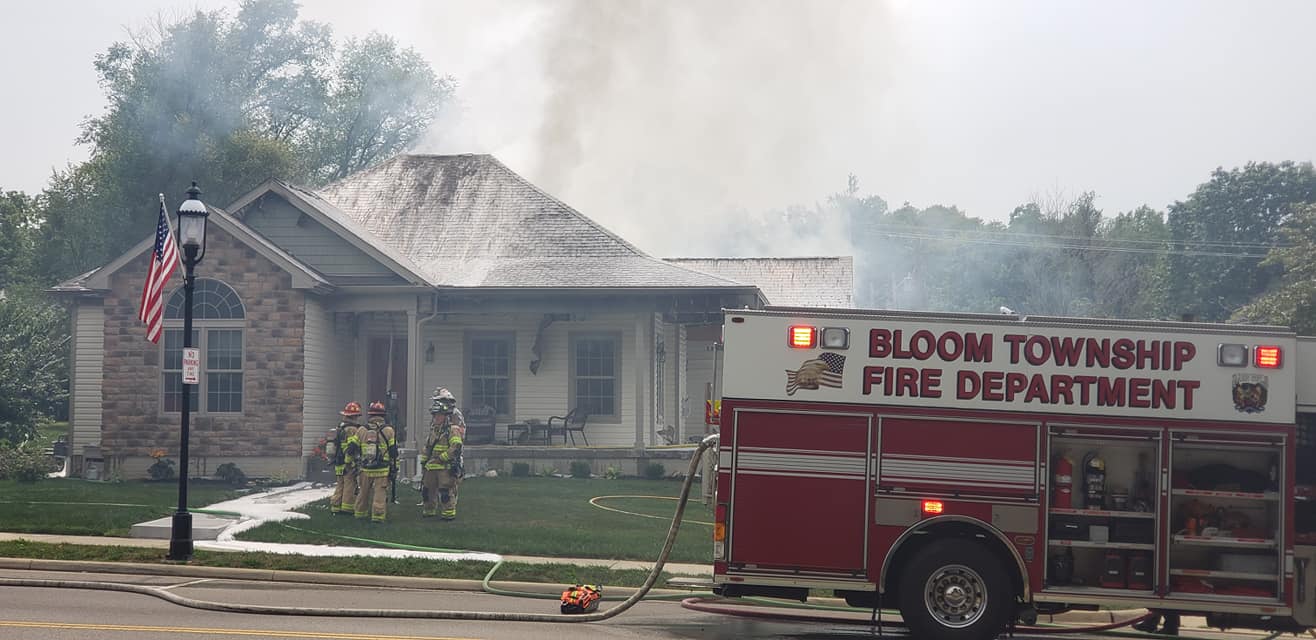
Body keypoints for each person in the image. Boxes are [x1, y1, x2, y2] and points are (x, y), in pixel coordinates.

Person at [421, 388, 465, 520]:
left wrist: (441, 458)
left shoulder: (453, 426)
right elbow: (428, 445)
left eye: (437, 415)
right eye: (434, 415)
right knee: (427, 491)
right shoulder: (434, 428)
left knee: (446, 491)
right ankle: (429, 510)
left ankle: (448, 513)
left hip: (445, 465)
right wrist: (424, 461)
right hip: (432, 466)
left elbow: (456, 446)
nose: (435, 417)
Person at [354, 401, 398, 523]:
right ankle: (377, 517)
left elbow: (353, 447)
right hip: (382, 469)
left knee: (363, 492)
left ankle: (360, 514)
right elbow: (394, 452)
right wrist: (395, 468)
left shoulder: (362, 430)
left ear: (370, 415)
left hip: (365, 468)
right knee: (380, 493)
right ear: (383, 416)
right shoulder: (389, 430)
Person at [329, 402, 363, 515]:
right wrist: (352, 461)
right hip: (347, 462)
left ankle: (335, 506)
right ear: (354, 416)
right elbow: (351, 448)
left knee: (340, 484)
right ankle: (347, 508)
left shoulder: (340, 427)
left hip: (338, 461)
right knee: (350, 484)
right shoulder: (352, 430)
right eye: (357, 416)